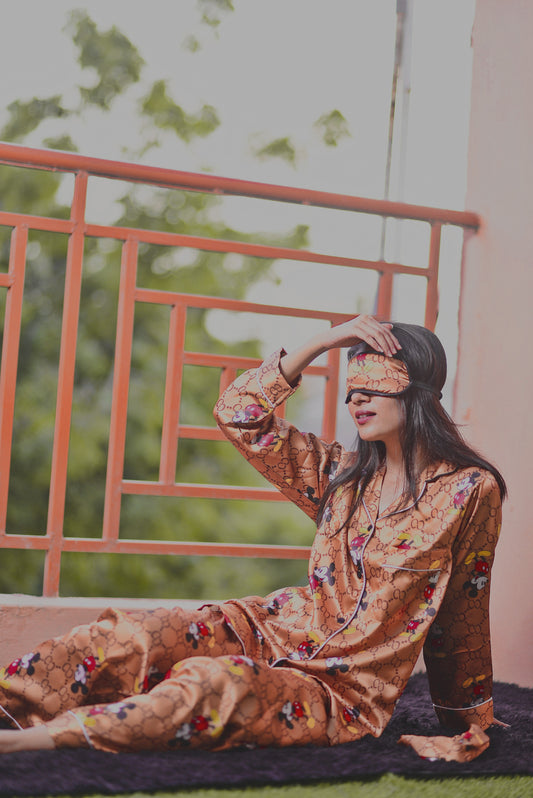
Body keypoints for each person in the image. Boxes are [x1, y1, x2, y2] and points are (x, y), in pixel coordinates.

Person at [0, 316, 505, 761]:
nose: (356, 398)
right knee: (133, 634)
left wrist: (469, 716)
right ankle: (9, 706)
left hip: (340, 692)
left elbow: (464, 606)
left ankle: (39, 741)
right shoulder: (339, 475)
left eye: (372, 385)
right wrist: (323, 342)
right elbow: (238, 413)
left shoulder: (467, 490)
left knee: (215, 686)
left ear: (419, 391)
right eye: (351, 388)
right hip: (267, 629)